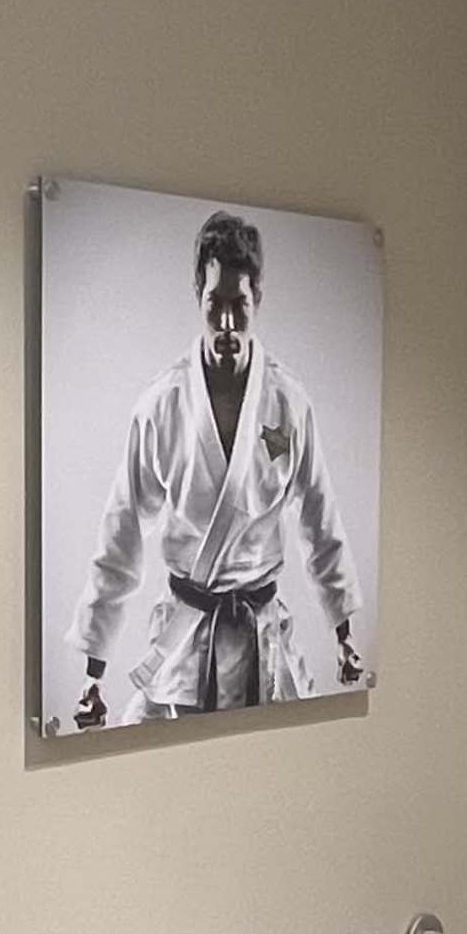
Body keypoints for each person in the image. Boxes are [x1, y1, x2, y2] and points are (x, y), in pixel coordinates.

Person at [71, 207, 366, 727]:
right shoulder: (162, 405)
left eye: (240, 305)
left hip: (263, 641)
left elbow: (321, 524)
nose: (227, 324)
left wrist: (344, 634)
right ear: (198, 298)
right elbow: (121, 534)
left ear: (258, 299)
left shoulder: (288, 403)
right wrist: (93, 672)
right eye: (215, 305)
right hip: (187, 643)